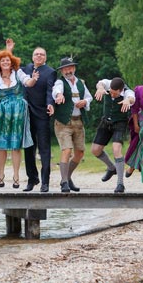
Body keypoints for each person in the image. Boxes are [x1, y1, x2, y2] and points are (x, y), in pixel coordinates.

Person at [0, 49, 38, 189]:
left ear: (12, 62)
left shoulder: (18, 74)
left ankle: (16, 177)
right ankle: (1, 175)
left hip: (18, 113)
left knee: (16, 146)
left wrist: (33, 78)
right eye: (3, 61)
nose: (6, 62)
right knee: (1, 146)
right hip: (1, 114)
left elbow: (29, 83)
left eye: (8, 60)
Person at [7, 41, 55, 192]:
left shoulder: (50, 72)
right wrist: (9, 51)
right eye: (36, 54)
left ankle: (45, 182)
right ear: (32, 57)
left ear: (45, 57)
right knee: (29, 148)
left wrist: (50, 103)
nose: (39, 56)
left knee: (44, 149)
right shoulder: (26, 68)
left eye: (41, 54)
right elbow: (11, 65)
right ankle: (32, 179)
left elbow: (50, 90)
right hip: (27, 114)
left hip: (42, 114)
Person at [52, 57, 92, 193]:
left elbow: (89, 96)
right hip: (64, 122)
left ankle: (67, 178)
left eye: (70, 68)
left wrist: (85, 102)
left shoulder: (81, 82)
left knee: (80, 152)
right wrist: (58, 96)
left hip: (79, 121)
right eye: (65, 69)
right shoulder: (60, 82)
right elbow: (56, 90)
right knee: (67, 150)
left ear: (74, 68)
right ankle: (64, 182)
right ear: (62, 71)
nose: (68, 71)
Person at [91, 77, 135, 193]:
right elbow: (100, 83)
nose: (112, 94)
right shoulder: (108, 84)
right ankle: (111, 168)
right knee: (95, 150)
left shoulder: (127, 92)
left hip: (120, 123)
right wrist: (100, 88)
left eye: (115, 93)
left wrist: (128, 101)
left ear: (121, 91)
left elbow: (132, 98)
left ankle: (120, 184)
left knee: (116, 150)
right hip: (105, 122)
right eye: (110, 92)